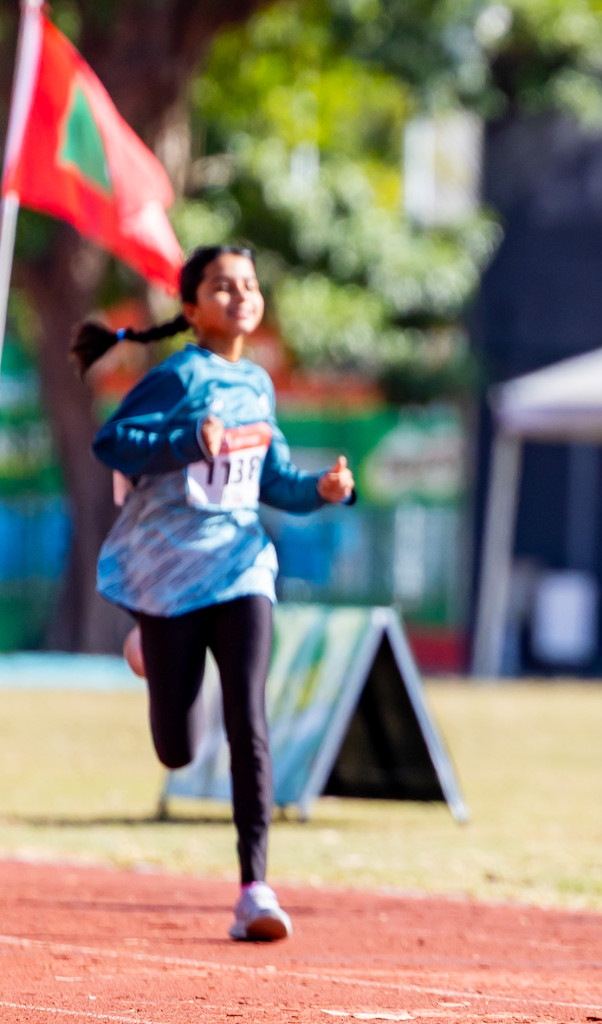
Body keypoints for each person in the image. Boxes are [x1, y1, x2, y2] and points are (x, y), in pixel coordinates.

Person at [77, 245, 356, 942]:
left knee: (248, 717)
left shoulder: (258, 385)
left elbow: (272, 480)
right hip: (170, 573)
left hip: (241, 565)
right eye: (222, 286)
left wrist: (319, 491)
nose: (240, 296)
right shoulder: (178, 376)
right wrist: (182, 436)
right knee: (176, 747)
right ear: (192, 307)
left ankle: (255, 889)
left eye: (250, 285)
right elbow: (113, 443)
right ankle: (149, 650)